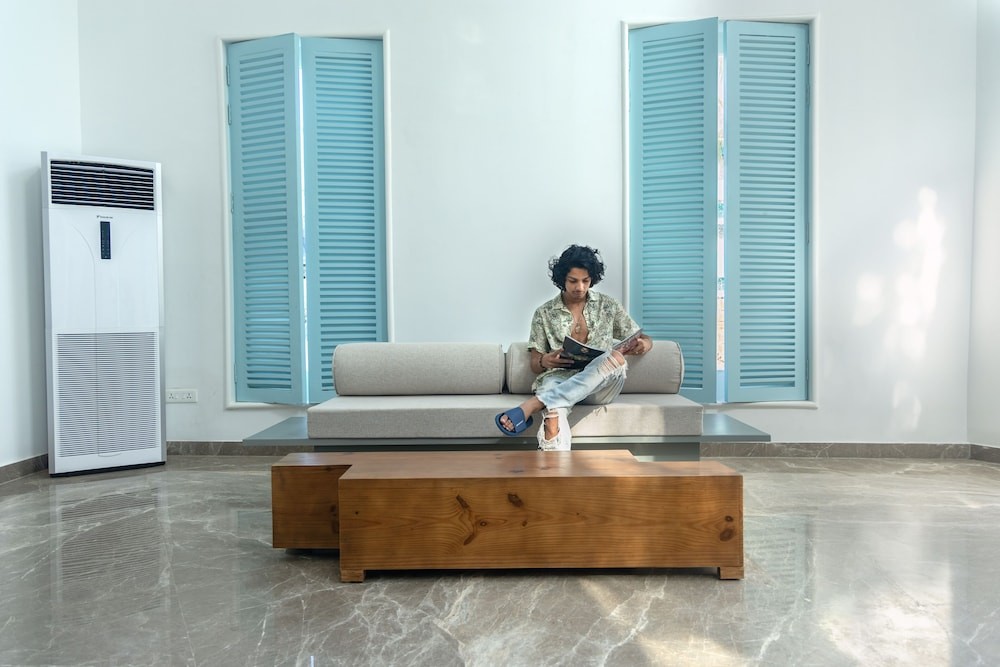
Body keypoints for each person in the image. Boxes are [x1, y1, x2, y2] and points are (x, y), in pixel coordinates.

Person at [494, 244, 653, 450]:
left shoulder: (608, 306)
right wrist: (545, 360)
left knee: (614, 358)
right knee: (553, 416)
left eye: (586, 281)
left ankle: (535, 403)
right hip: (560, 379)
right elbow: (535, 363)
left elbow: (642, 337)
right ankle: (555, 467)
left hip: (601, 387)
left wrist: (645, 344)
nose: (580, 287)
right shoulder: (544, 313)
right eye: (573, 281)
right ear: (562, 279)